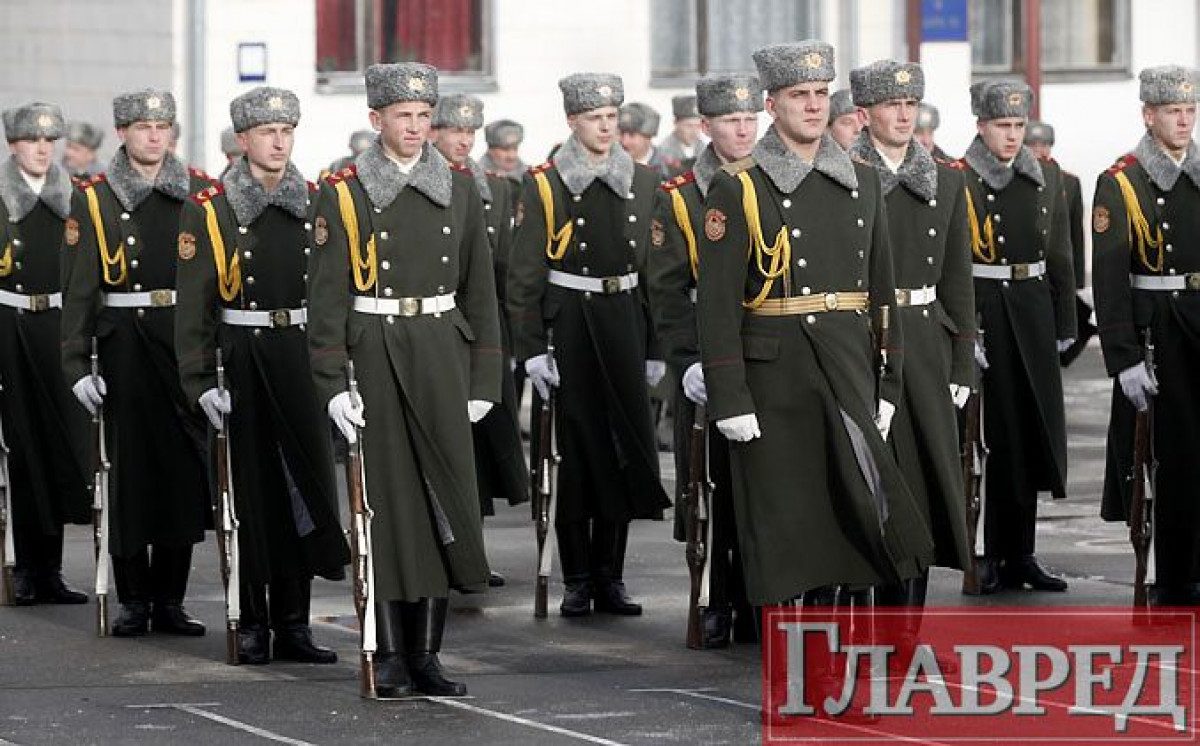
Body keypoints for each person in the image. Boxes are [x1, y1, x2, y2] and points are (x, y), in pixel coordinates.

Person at [697, 40, 934, 608]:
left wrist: (889, 380)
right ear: (772, 103)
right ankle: (789, 681)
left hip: (848, 369)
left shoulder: (863, 182)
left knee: (848, 529)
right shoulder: (741, 188)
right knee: (786, 541)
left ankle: (830, 678)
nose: (812, 106)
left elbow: (881, 295)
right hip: (776, 383)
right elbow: (719, 306)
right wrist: (729, 397)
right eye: (798, 95)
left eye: (820, 94)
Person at [307, 62, 502, 697]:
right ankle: (389, 654)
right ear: (376, 121)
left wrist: (483, 380)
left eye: (424, 117)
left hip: (442, 349)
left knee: (446, 495)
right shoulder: (344, 193)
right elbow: (327, 298)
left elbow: (480, 289)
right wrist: (333, 381)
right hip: (376, 350)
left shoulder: (462, 188)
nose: (415, 128)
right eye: (402, 117)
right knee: (386, 505)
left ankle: (428, 655)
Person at [175, 86, 350, 664]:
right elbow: (193, 305)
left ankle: (294, 623)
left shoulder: (319, 201)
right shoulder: (212, 208)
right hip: (243, 355)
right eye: (267, 133)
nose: (279, 142)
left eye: (287, 131)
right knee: (250, 496)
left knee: (306, 486)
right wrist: (200, 381)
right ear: (243, 141)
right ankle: (252, 621)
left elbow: (334, 291)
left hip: (300, 354)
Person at [508, 72, 671, 618]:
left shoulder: (644, 182)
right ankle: (578, 577)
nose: (607, 126)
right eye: (595, 118)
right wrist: (531, 346)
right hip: (571, 326)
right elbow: (525, 276)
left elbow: (654, 274)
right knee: (574, 454)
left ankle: (611, 575)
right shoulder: (548, 183)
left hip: (624, 318)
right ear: (573, 122)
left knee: (625, 450)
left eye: (611, 116)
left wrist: (653, 348)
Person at [60, 89, 214, 636]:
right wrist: (77, 364)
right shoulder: (95, 199)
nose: (153, 135)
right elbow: (79, 289)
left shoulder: (199, 191)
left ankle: (170, 600)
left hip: (181, 342)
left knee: (180, 476)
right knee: (127, 475)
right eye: (142, 126)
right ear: (121, 132)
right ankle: (134, 599)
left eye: (162, 126)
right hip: (123, 345)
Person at [847, 60, 974, 617]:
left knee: (921, 484)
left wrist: (962, 364)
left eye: (909, 104)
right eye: (890, 104)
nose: (902, 114)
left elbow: (957, 279)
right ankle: (857, 625)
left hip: (924, 342)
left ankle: (905, 634)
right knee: (867, 483)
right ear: (864, 113)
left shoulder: (946, 180)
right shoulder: (844, 175)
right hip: (862, 338)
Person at [646, 72, 763, 647]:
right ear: (708, 126)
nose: (743, 129)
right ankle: (717, 596)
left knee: (767, 480)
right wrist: (686, 360)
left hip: (767, 345)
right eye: (730, 121)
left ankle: (763, 595)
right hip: (707, 349)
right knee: (712, 480)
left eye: (749, 119)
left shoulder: (777, 182)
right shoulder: (681, 196)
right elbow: (666, 290)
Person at [957, 80, 1075, 593]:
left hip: (1032, 312)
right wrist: (962, 331)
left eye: (1017, 125)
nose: (1011, 135)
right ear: (981, 125)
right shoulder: (959, 179)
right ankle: (984, 553)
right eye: (1001, 126)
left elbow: (1061, 255)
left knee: (1030, 435)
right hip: (986, 312)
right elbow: (950, 263)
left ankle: (1020, 553)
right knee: (988, 439)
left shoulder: (1045, 176)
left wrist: (1065, 324)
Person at [1094, 65, 1200, 605]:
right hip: (1159, 330)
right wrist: (1123, 356)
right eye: (1172, 112)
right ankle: (1176, 576)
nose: (1183, 121)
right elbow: (1108, 276)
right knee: (1172, 458)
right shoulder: (1123, 181)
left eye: (1189, 110)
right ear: (1148, 116)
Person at [430, 92, 529, 587]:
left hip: (487, 332)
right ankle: (442, 551)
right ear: (433, 132)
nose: (464, 140)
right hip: (441, 329)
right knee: (443, 446)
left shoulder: (498, 188)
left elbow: (506, 267)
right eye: (454, 131)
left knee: (482, 449)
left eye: (470, 132)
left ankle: (474, 550)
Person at [0, 102, 91, 606]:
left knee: (60, 448)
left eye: (48, 140)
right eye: (30, 140)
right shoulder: (2, 198)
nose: (41, 149)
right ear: (13, 144)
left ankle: (50, 569)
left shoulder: (72, 200)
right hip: (10, 328)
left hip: (57, 328)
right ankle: (26, 569)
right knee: (22, 448)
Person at [1025, 120, 1095, 365]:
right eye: (1033, 145)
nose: (1039, 151)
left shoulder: (1068, 182)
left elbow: (1075, 234)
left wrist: (1077, 282)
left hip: (1058, 267)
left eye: (1044, 145)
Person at [620, 102, 682, 178]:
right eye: (621, 133)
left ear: (648, 136)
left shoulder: (670, 170)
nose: (624, 142)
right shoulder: (608, 168)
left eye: (632, 134)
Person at [656, 94, 704, 170]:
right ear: (676, 123)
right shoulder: (663, 152)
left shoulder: (705, 149)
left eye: (698, 126)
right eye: (689, 126)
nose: (694, 132)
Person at [479, 119, 526, 186]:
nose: (512, 156)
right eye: (505, 149)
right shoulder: (475, 179)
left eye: (515, 148)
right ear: (490, 149)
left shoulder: (529, 177)